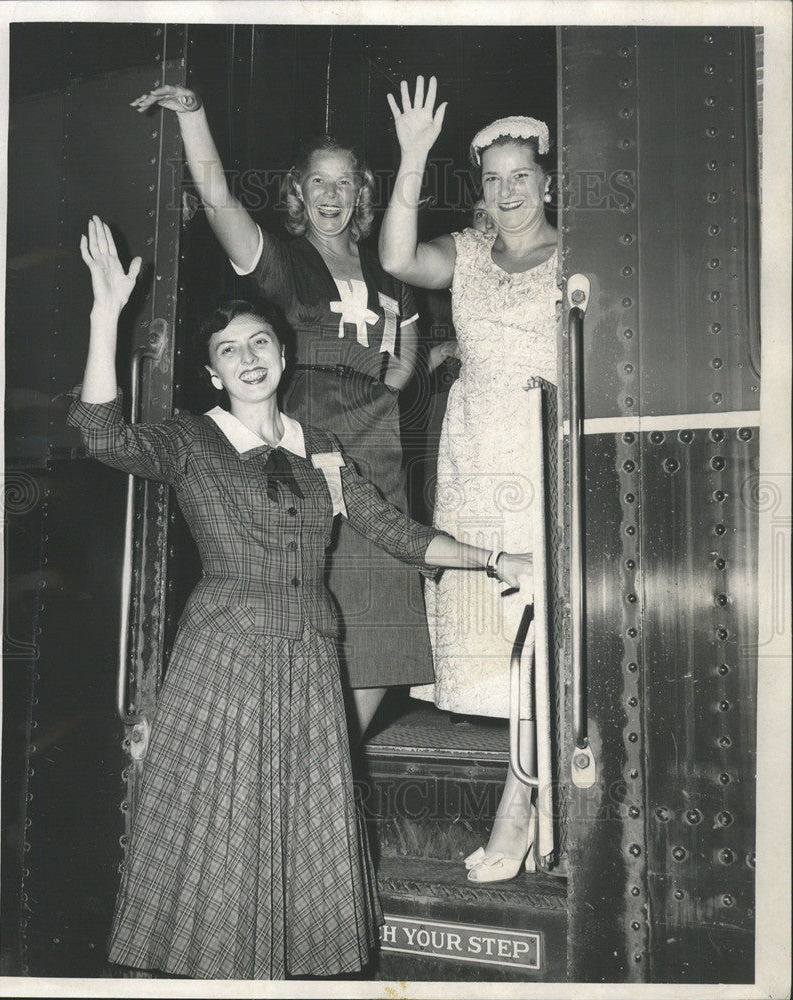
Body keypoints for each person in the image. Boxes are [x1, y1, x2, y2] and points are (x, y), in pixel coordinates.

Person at [70, 216, 534, 979]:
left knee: (299, 830)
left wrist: (492, 557)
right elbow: (101, 434)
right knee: (225, 831)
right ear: (213, 374)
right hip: (225, 655)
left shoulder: (322, 449)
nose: (248, 359)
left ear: (282, 357)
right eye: (229, 351)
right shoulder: (192, 440)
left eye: (259, 344)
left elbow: (396, 532)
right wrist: (104, 315)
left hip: (312, 658)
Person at [130, 84, 429, 739]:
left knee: (385, 625)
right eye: (317, 182)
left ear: (361, 194)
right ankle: (305, 757)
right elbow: (218, 200)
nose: (330, 195)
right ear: (298, 192)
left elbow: (406, 358)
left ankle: (332, 756)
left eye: (344, 183)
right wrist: (195, 115)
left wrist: (389, 379)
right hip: (306, 461)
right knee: (312, 617)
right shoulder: (283, 262)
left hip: (377, 458)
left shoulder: (392, 268)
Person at [379, 77, 560, 883]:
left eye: (522, 176)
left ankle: (518, 815)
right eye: (493, 179)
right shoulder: (468, 252)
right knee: (506, 649)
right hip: (474, 460)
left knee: (549, 641)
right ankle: (535, 805)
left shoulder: (581, 254)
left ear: (548, 182)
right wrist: (414, 153)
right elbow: (393, 257)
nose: (508, 191)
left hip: (544, 455)